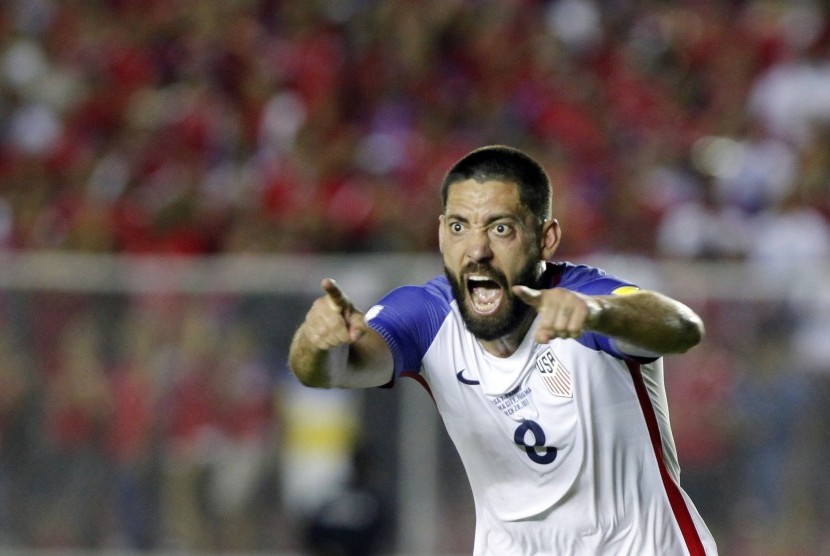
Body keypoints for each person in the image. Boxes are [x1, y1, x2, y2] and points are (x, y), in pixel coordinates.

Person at [288, 145, 718, 555]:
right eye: (459, 227)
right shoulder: (427, 316)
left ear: (546, 238)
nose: (477, 250)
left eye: (500, 228)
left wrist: (598, 314)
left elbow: (680, 328)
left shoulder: (584, 299)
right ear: (441, 234)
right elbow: (327, 371)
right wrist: (317, 340)